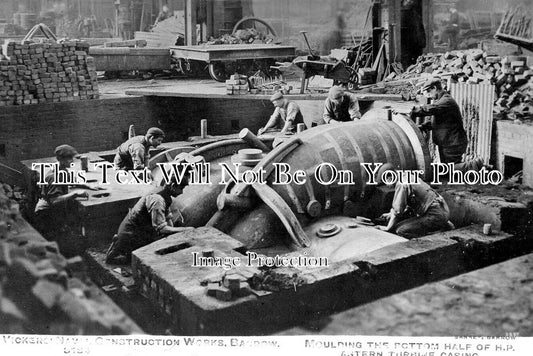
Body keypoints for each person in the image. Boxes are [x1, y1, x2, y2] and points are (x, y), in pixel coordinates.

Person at [105, 171, 192, 264]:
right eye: (181, 188)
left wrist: (176, 235)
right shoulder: (157, 200)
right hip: (131, 235)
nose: (182, 192)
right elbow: (161, 229)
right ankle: (117, 251)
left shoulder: (163, 194)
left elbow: (168, 220)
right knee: (155, 258)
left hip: (134, 231)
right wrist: (186, 229)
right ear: (173, 186)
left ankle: (119, 248)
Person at [33, 145, 95, 254]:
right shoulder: (54, 176)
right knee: (56, 245)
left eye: (72, 158)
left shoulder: (62, 170)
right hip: (46, 213)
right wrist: (75, 194)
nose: (71, 161)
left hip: (54, 211)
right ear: (59, 159)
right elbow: (54, 200)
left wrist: (88, 186)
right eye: (67, 158)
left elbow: (71, 181)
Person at [375, 164, 453, 239]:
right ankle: (443, 224)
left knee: (400, 230)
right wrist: (390, 214)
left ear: (389, 178)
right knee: (405, 221)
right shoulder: (408, 176)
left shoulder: (401, 184)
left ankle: (436, 234)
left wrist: (387, 228)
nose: (387, 185)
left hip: (434, 214)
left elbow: (397, 212)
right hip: (442, 210)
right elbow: (408, 205)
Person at [411, 78, 468, 164]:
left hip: (453, 143)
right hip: (448, 143)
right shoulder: (442, 100)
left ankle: (475, 165)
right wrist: (423, 127)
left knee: (450, 169)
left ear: (434, 88)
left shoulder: (446, 101)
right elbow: (437, 122)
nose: (428, 95)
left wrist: (411, 110)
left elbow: (430, 109)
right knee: (448, 170)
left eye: (428, 91)